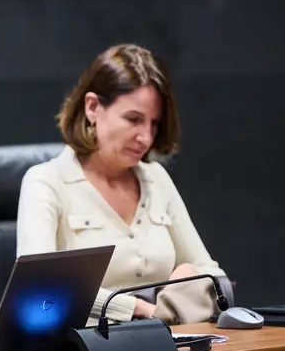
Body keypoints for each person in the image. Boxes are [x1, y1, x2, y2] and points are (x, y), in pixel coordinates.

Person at [16, 44, 226, 326]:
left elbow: (209, 273)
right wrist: (140, 309)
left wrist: (182, 287)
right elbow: (40, 286)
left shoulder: (157, 178)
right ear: (92, 107)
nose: (146, 137)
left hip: (169, 343)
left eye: (154, 123)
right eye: (134, 119)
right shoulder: (46, 181)